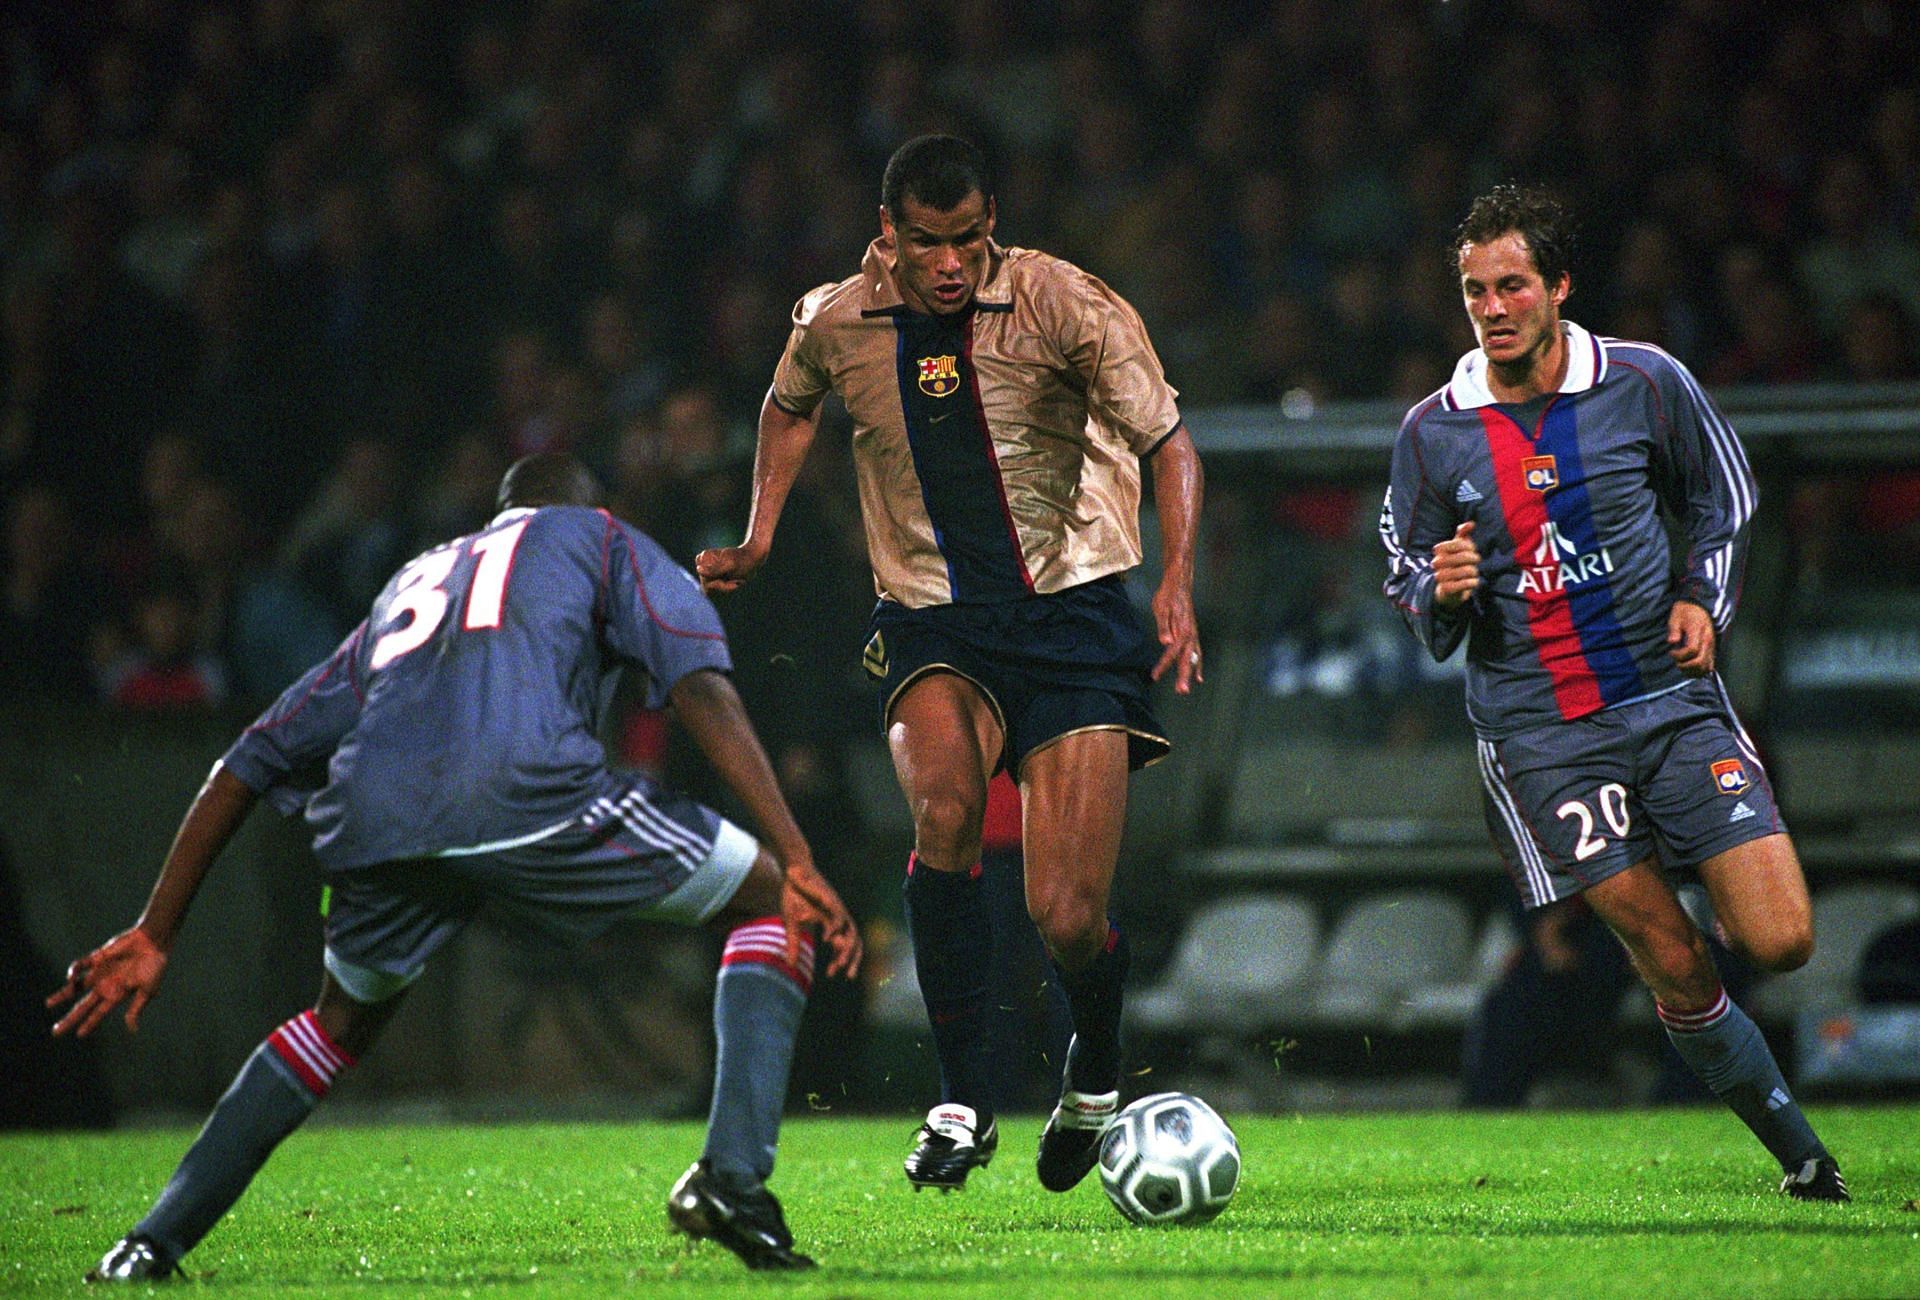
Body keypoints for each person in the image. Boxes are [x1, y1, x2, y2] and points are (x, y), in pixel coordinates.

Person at [48, 453, 864, 1280]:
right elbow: (699, 684)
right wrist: (798, 854)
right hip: (528, 793)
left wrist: (157, 930)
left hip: (377, 821)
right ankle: (731, 1180)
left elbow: (248, 759)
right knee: (770, 901)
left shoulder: (417, 578)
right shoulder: (601, 537)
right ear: (588, 504)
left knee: (336, 1024)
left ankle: (150, 1241)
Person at [696, 135, 1204, 1194]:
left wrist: (1176, 581)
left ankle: (1097, 1062)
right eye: (927, 242)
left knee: (1066, 914)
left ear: (991, 224)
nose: (949, 264)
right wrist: (759, 535)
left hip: (1071, 615)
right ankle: (965, 1099)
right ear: (888, 233)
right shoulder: (837, 321)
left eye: (968, 239)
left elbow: (1168, 440)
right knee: (941, 814)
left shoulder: (1062, 300)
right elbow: (788, 405)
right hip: (935, 621)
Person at [1381, 184, 1846, 1200]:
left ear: (1558, 287)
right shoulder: (1433, 432)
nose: (1493, 307)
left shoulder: (1645, 380)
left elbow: (1724, 495)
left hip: (1669, 697)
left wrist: (1702, 600)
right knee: (1676, 959)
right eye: (1473, 291)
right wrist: (1442, 592)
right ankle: (1803, 1158)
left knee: (1781, 938)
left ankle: (1693, 853)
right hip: (1543, 734)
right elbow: (1410, 575)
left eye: (1510, 285)